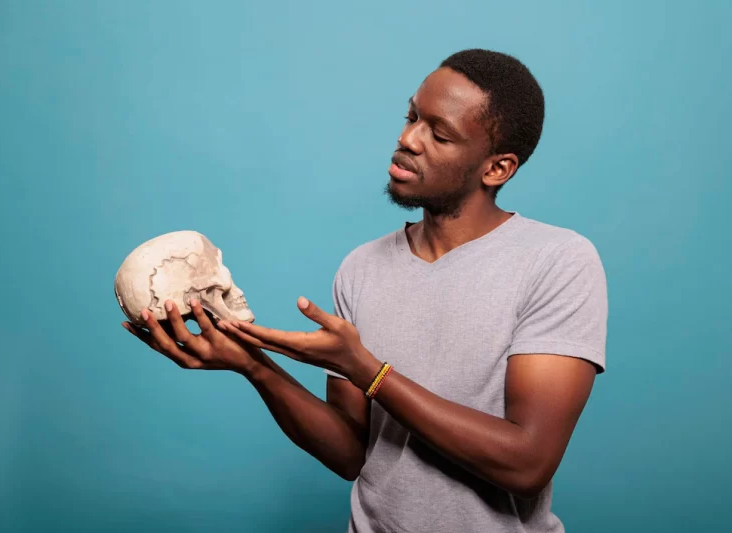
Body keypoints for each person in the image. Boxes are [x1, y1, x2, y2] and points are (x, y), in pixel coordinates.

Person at [123, 48, 608, 533]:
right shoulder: (362, 267)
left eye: (438, 134)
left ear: (497, 169)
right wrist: (254, 365)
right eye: (411, 116)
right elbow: (354, 454)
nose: (407, 139)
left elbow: (526, 464)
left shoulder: (558, 262)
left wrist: (367, 371)